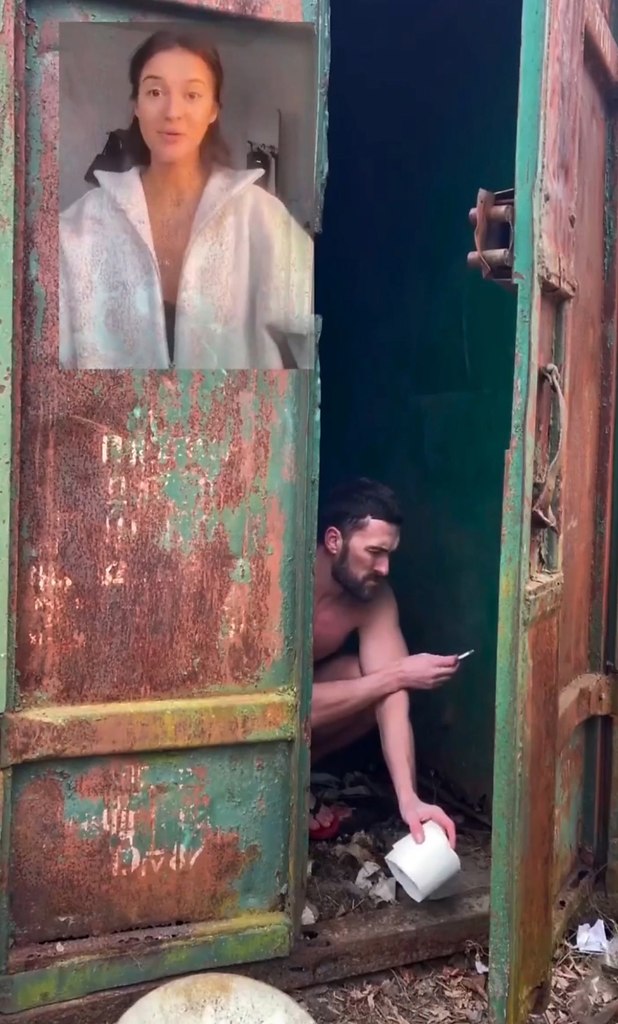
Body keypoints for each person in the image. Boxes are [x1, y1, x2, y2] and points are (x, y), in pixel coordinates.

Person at [59, 30, 314, 370]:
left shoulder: (260, 216)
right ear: (137, 105)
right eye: (155, 91)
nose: (172, 111)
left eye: (192, 94)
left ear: (213, 110)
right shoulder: (77, 229)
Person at [310, 478, 461, 847]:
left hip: (310, 705)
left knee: (370, 681)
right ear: (334, 541)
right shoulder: (283, 583)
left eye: (389, 554)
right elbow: (285, 706)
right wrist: (398, 673)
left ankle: (297, 774)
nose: (384, 568)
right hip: (256, 713)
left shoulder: (374, 599)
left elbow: (393, 697)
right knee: (383, 680)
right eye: (374, 552)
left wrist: (410, 799)